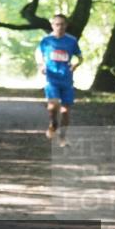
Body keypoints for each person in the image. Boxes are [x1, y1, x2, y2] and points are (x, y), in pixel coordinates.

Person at [37, 13, 82, 147]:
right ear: (52, 25)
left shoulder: (72, 40)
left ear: (66, 25)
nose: (60, 27)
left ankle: (62, 137)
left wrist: (76, 64)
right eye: (57, 24)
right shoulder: (46, 40)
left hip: (66, 79)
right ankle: (53, 123)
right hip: (51, 78)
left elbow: (80, 57)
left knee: (65, 111)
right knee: (53, 104)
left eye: (62, 24)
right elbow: (39, 55)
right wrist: (41, 66)